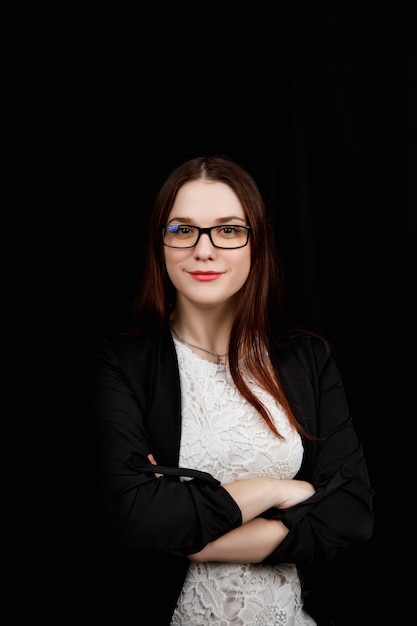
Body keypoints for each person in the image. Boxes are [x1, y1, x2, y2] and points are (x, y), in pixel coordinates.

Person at [88, 155, 374, 625]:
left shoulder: (308, 359)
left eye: (227, 230)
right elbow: (131, 517)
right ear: (160, 244)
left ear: (255, 244)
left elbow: (350, 514)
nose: (204, 250)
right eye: (183, 230)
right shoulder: (120, 365)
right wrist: (279, 489)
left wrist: (193, 541)